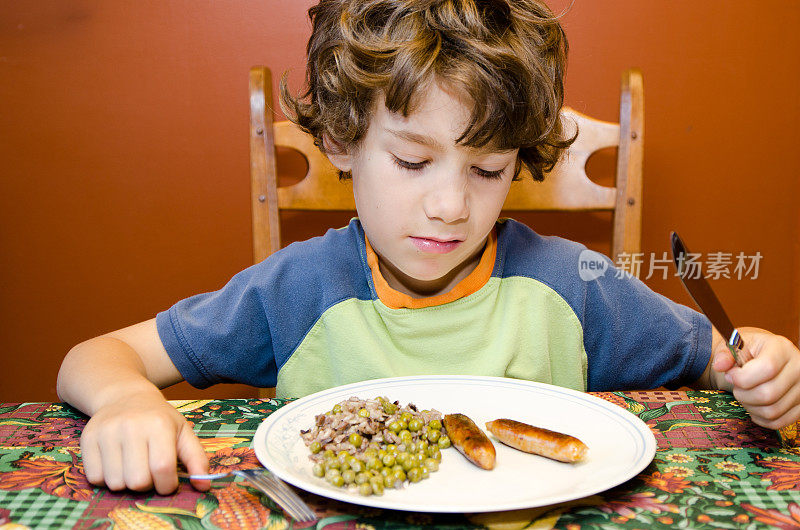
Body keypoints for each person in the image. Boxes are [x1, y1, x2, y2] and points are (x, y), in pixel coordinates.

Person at [57, 0, 800, 496]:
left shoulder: (574, 285)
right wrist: (125, 398)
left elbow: (721, 356)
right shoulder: (296, 290)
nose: (451, 205)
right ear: (344, 140)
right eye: (413, 162)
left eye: (488, 170)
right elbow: (93, 357)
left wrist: (766, 367)